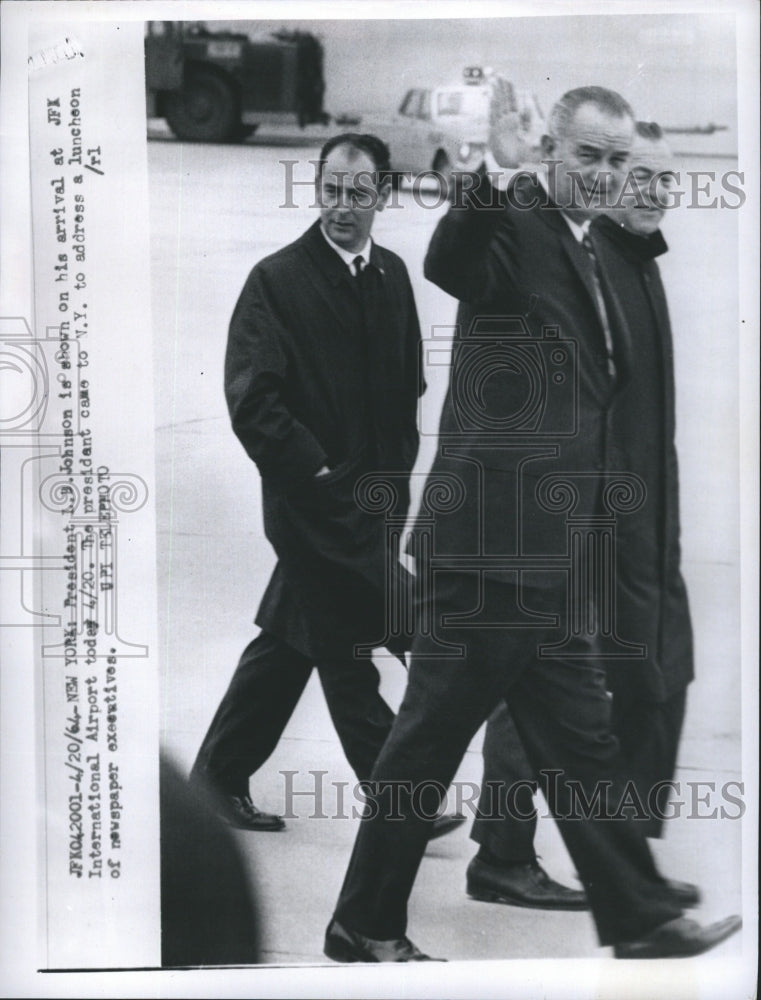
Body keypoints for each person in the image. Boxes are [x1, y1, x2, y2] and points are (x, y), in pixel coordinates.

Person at [324, 88, 741, 961]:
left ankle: (638, 919)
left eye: (614, 161)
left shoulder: (591, 249)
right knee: (424, 747)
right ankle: (362, 924)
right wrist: (495, 168)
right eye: (584, 156)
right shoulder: (514, 222)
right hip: (486, 553)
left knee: (581, 745)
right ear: (551, 150)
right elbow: (449, 259)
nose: (600, 176)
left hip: (549, 559)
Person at [190, 132, 461, 840]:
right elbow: (253, 400)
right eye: (331, 191)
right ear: (316, 189)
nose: (343, 207)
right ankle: (399, 797)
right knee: (359, 644)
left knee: (295, 636)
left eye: (358, 193)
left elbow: (407, 387)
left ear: (382, 195)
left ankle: (216, 778)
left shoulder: (392, 275)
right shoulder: (276, 280)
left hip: (373, 507)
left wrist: (394, 481)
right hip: (310, 506)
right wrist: (314, 471)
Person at [465, 120, 698, 911]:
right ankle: (508, 852)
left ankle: (624, 867)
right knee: (541, 685)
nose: (654, 192)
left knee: (650, 676)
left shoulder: (634, 265)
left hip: (638, 517)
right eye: (640, 175)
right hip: (587, 523)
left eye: (665, 179)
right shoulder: (585, 263)